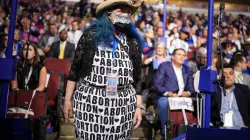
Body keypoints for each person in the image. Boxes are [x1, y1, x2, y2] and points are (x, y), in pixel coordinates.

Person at [63, 0, 143, 139]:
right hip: (91, 100)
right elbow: (74, 71)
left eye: (128, 12)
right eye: (121, 11)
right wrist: (67, 101)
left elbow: (137, 80)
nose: (125, 15)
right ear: (109, 13)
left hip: (123, 103)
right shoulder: (91, 36)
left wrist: (138, 108)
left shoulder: (133, 41)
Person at [153, 48, 195, 137]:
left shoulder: (188, 69)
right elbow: (157, 84)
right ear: (172, 57)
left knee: (198, 102)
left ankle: (190, 130)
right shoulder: (164, 66)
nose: (182, 57)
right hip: (168, 96)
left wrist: (188, 93)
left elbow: (191, 88)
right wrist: (168, 93)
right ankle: (166, 131)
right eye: (179, 54)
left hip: (182, 97)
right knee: (163, 102)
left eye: (184, 55)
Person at [211, 64, 250, 129]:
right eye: (224, 74)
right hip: (222, 131)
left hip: (243, 130)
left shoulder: (244, 89)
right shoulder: (213, 91)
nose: (228, 76)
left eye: (231, 73)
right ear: (218, 77)